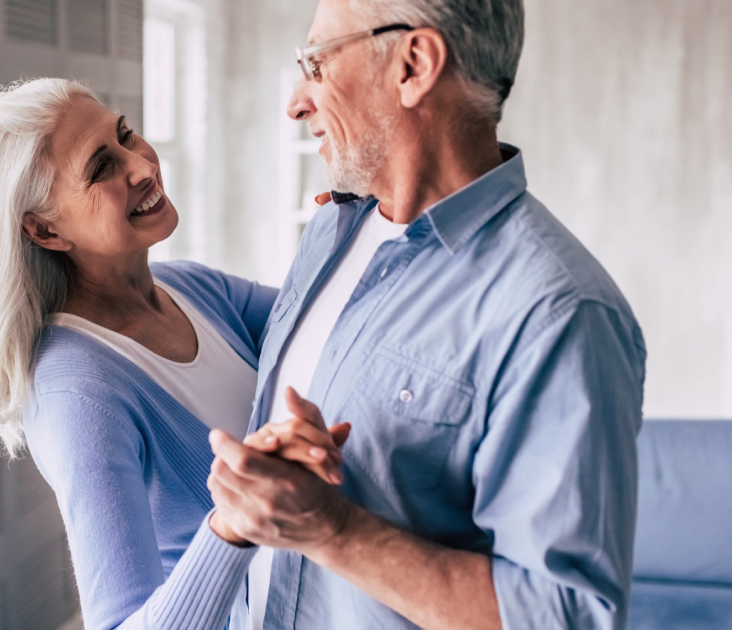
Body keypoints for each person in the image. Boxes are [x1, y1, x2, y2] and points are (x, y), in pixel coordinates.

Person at [203, 0, 648, 628]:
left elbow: (561, 616)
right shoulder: (332, 230)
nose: (297, 102)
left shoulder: (560, 314)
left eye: (316, 63)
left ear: (413, 65)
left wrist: (333, 530)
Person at [0, 78, 343, 630]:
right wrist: (234, 523)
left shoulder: (190, 287)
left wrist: (350, 218)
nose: (143, 166)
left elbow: (336, 328)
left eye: (125, 135)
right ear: (45, 229)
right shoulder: (78, 392)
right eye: (101, 168)